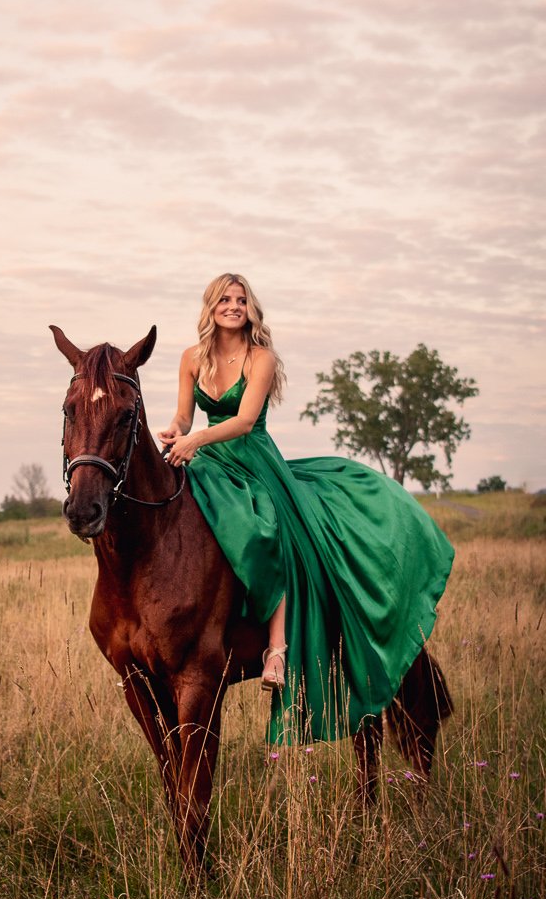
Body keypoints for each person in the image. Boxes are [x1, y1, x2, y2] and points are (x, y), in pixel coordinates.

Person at [156, 273, 455, 744]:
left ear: (251, 309)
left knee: (267, 528)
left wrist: (195, 440)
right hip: (209, 460)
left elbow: (244, 420)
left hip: (253, 458)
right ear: (211, 307)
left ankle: (276, 649)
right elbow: (183, 415)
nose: (234, 306)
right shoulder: (192, 359)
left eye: (241, 300)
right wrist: (175, 431)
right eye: (225, 300)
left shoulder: (261, 358)